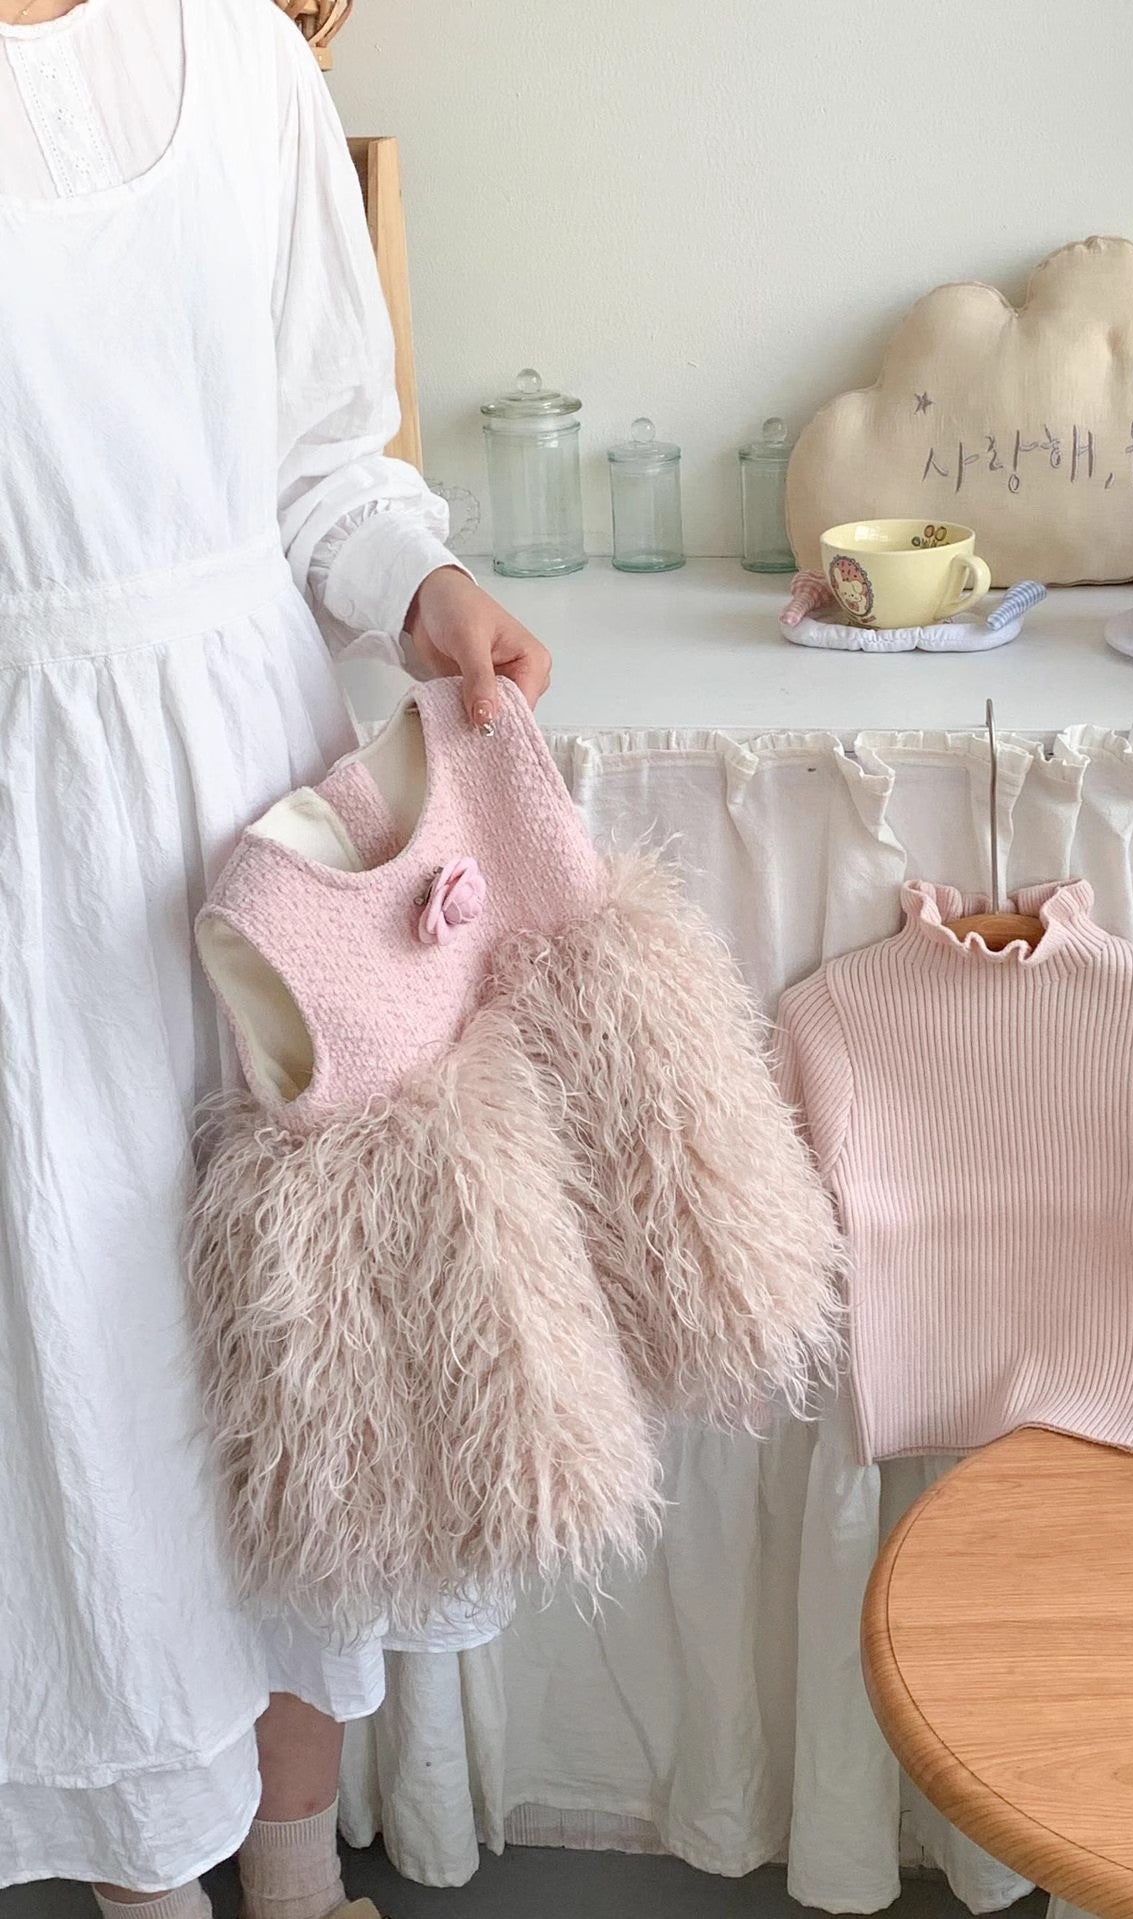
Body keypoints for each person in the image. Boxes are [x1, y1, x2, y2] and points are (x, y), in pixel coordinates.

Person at [0, 0, 552, 1912]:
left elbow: (330, 457)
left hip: (264, 807)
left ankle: (301, 1883)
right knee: (89, 1364)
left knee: (298, 1347)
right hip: (28, 833)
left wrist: (430, 589)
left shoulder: (240, 54)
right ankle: (151, 1881)